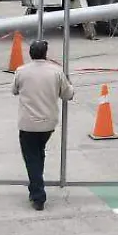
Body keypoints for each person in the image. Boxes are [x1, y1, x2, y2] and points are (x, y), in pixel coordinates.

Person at [12, 39, 74, 211]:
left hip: (28, 124)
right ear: (45, 54)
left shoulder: (21, 71)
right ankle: (36, 185)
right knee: (38, 155)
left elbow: (14, 90)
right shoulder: (56, 72)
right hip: (48, 124)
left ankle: (38, 195)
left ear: (30, 54)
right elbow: (68, 94)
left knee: (32, 158)